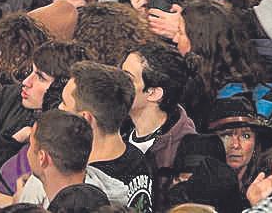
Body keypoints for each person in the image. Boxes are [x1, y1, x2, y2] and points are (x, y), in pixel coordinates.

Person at [58, 62, 154, 211]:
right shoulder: (140, 158)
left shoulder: (86, 189)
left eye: (64, 103)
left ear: (85, 118)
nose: (59, 108)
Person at [119, 43, 196, 171]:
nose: (117, 82)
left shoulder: (183, 152)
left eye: (127, 78)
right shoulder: (116, 129)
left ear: (153, 93)